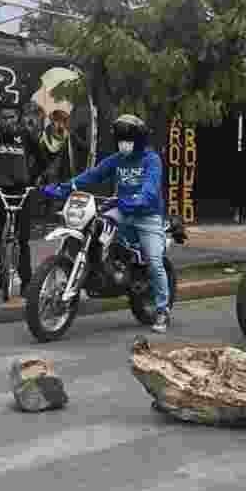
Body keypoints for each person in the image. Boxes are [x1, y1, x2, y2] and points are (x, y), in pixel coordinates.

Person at [50, 114, 170, 332]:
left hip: (147, 214)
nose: (124, 142)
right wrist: (64, 187)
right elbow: (92, 175)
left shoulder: (151, 159)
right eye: (121, 138)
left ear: (139, 139)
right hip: (122, 208)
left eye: (128, 138)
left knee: (154, 260)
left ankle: (162, 310)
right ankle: (103, 266)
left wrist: (140, 198)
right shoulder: (116, 159)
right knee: (96, 225)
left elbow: (151, 187)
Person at [0, 102, 46, 297]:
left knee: (23, 240)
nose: (9, 121)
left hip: (21, 193)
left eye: (12, 117)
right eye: (4, 117)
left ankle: (26, 283)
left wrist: (31, 180)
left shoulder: (26, 137)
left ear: (18, 118)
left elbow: (42, 160)